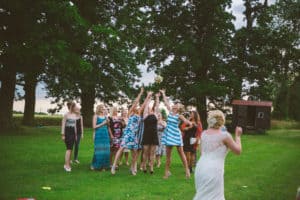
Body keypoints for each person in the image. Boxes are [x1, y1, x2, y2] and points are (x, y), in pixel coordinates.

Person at [194, 110, 243, 200]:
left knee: (202, 194)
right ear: (222, 121)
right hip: (214, 169)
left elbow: (201, 152)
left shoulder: (204, 134)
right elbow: (238, 151)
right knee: (214, 196)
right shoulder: (225, 136)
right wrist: (238, 136)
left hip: (200, 167)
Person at [111, 88, 150, 176]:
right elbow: (136, 102)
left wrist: (148, 96)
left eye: (137, 106)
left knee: (135, 153)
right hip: (128, 134)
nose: (137, 107)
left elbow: (143, 105)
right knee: (121, 149)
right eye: (135, 106)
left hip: (134, 135)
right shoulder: (130, 113)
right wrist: (141, 93)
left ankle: (132, 168)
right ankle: (114, 165)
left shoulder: (139, 113)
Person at [160, 89, 192, 179]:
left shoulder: (179, 116)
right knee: (168, 155)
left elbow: (186, 121)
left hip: (176, 135)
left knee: (181, 153)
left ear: (178, 108)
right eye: (174, 105)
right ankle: (166, 172)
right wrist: (163, 93)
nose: (174, 106)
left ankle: (187, 171)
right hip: (168, 134)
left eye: (176, 106)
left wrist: (189, 123)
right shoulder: (170, 112)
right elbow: (166, 103)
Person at [141, 92, 160, 174]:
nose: (149, 109)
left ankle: (151, 167)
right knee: (145, 151)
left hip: (154, 135)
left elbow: (157, 107)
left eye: (150, 108)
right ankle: (144, 165)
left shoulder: (156, 115)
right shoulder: (145, 115)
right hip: (146, 135)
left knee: (152, 152)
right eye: (148, 108)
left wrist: (157, 97)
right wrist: (148, 96)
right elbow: (145, 106)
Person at [91, 104, 113, 171]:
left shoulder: (106, 117)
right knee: (98, 150)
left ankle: (104, 166)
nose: (104, 110)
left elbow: (108, 126)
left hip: (105, 135)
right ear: (99, 109)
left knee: (106, 151)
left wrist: (111, 135)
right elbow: (94, 127)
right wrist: (103, 123)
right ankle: (95, 165)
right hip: (98, 134)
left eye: (105, 109)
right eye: (103, 109)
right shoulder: (95, 116)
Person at [61, 102, 81, 172]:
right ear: (72, 107)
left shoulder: (75, 115)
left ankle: (67, 163)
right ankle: (67, 165)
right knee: (69, 149)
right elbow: (63, 125)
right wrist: (63, 135)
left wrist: (75, 135)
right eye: (75, 107)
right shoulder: (66, 115)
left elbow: (75, 125)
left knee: (71, 149)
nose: (76, 108)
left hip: (73, 133)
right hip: (67, 132)